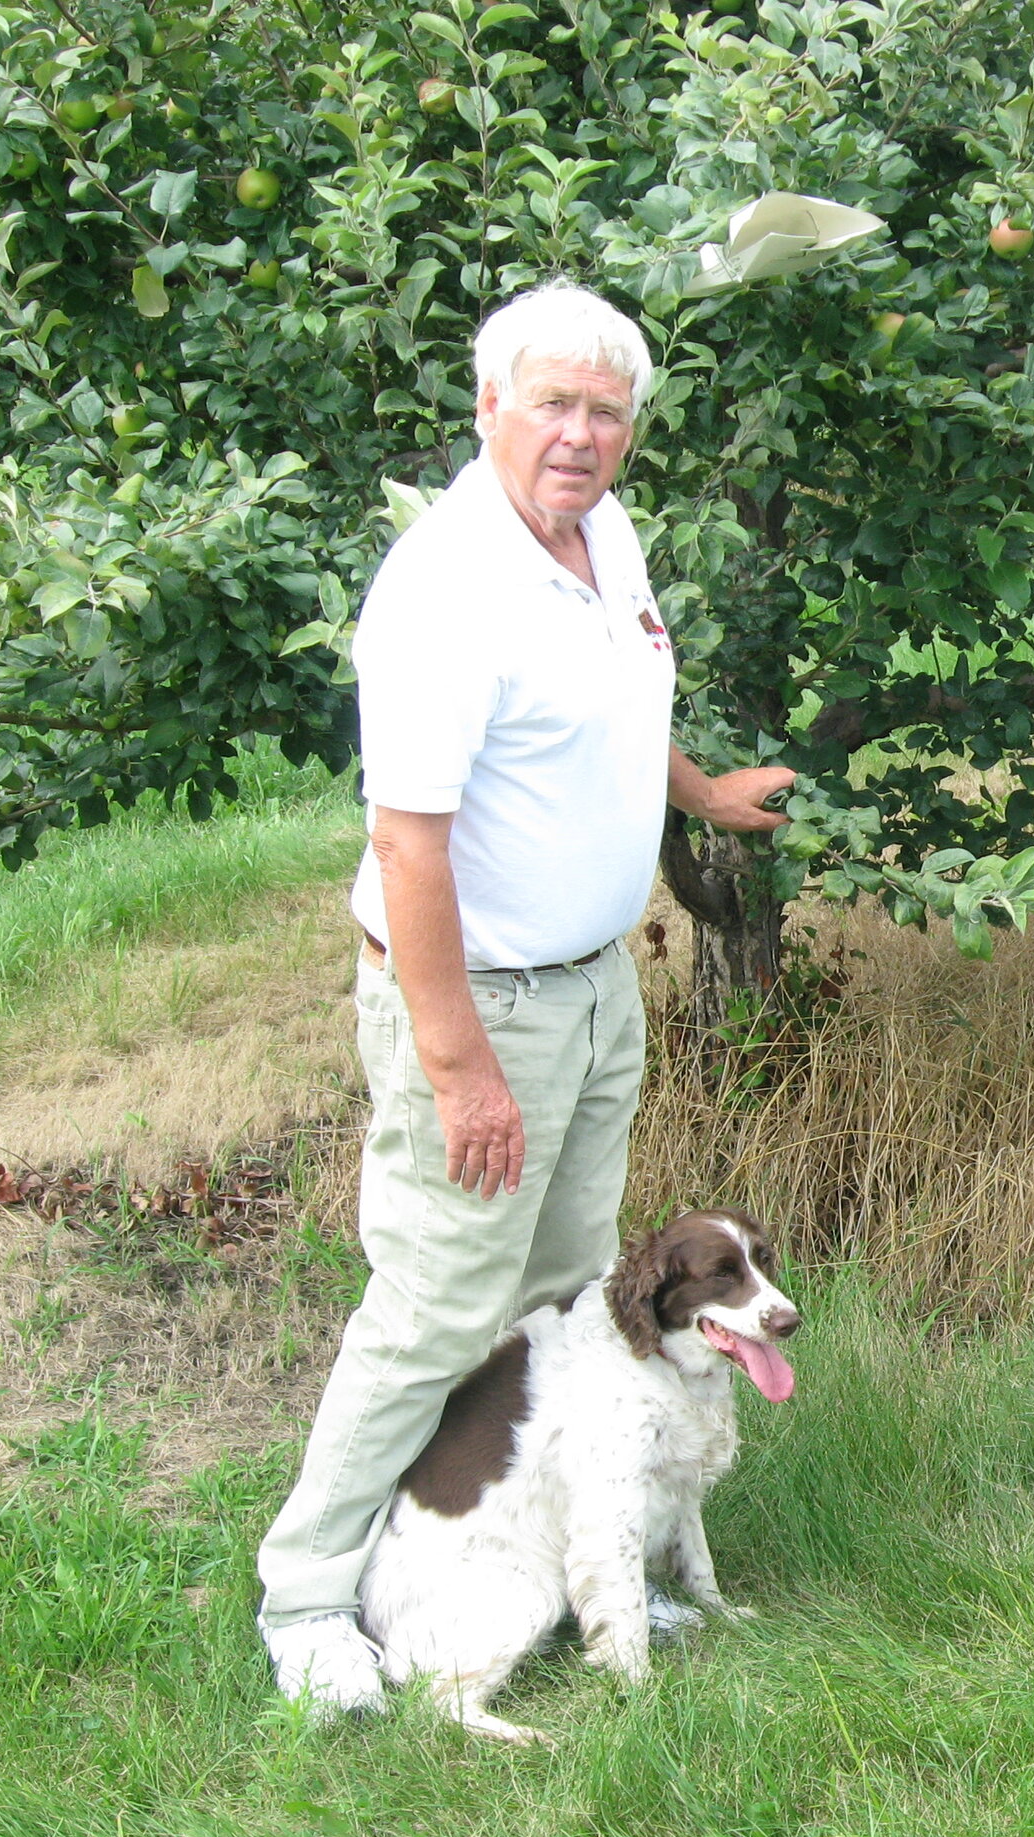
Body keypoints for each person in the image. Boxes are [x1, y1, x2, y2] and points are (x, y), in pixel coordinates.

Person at [255, 280, 795, 1715]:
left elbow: (620, 696)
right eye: (552, 402)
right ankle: (309, 1599)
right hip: (483, 1007)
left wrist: (701, 793)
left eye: (607, 410)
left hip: (595, 985)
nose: (581, 434)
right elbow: (405, 841)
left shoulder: (600, 532)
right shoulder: (445, 591)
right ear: (487, 405)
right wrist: (460, 1066)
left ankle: (559, 1554)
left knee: (566, 1301)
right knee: (439, 1306)